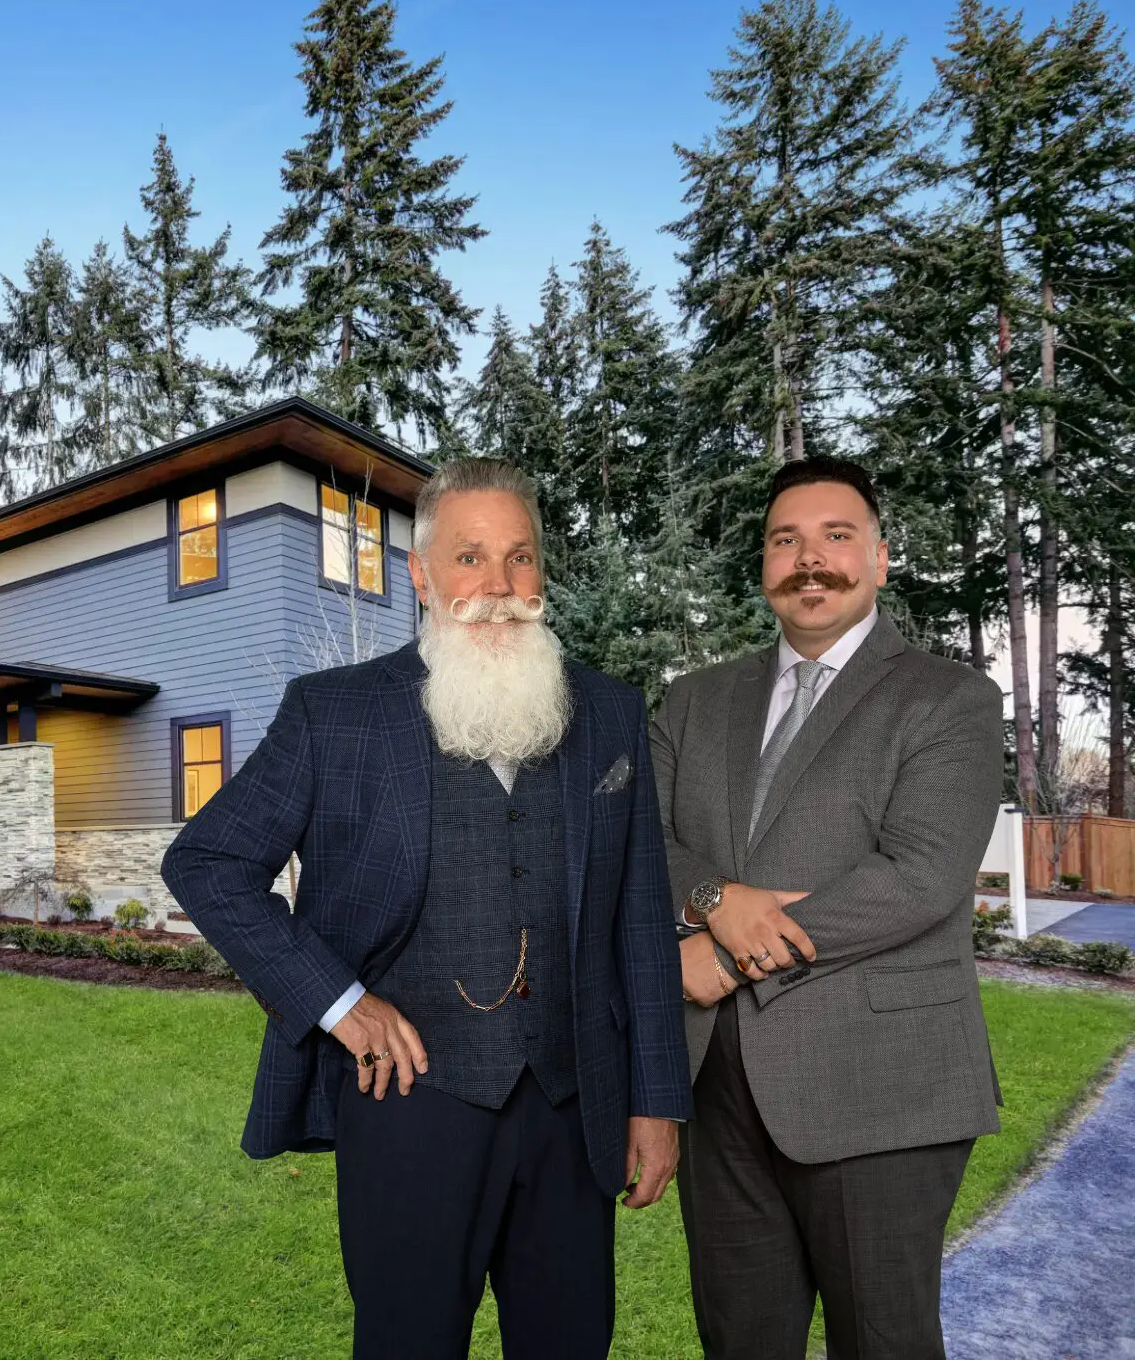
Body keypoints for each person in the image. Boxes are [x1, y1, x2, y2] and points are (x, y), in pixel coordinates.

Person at [162, 458, 690, 1359]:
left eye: (520, 559)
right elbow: (207, 860)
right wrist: (339, 1001)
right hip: (408, 1108)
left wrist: (657, 1099)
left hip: (573, 1108)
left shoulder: (608, 713)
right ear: (419, 572)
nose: (498, 587)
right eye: (470, 557)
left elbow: (640, 918)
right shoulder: (334, 712)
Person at [651, 456, 1004, 1360]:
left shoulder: (949, 697)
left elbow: (918, 875)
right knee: (740, 1341)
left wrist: (727, 953)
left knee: (882, 1342)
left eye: (836, 537)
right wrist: (713, 896)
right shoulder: (693, 703)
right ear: (765, 566)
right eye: (786, 541)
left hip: (881, 1088)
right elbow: (639, 840)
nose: (811, 560)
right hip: (719, 1089)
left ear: (880, 559)